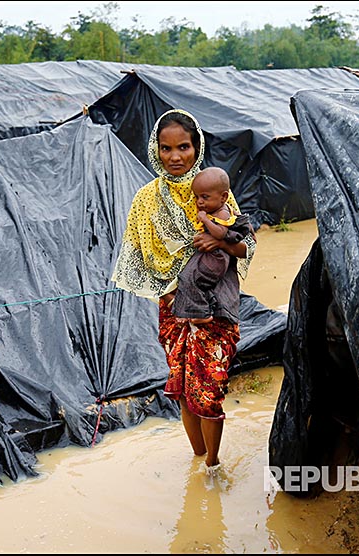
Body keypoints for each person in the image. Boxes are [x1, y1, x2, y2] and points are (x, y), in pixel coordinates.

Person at [112, 109, 255, 476]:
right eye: (166, 148)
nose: (175, 156)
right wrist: (183, 264)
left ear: (197, 147)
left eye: (184, 147)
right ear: (154, 150)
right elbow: (142, 252)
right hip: (174, 307)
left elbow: (245, 246)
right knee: (184, 387)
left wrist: (217, 241)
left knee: (210, 389)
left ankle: (213, 464)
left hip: (218, 306)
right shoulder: (147, 200)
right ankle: (198, 461)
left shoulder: (215, 190)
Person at [172, 167, 254, 325]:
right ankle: (191, 310)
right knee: (188, 278)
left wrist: (211, 230)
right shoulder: (149, 198)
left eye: (204, 197)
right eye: (196, 197)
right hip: (172, 291)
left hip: (215, 259)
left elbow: (246, 248)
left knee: (191, 278)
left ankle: (201, 312)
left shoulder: (222, 210)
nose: (199, 202)